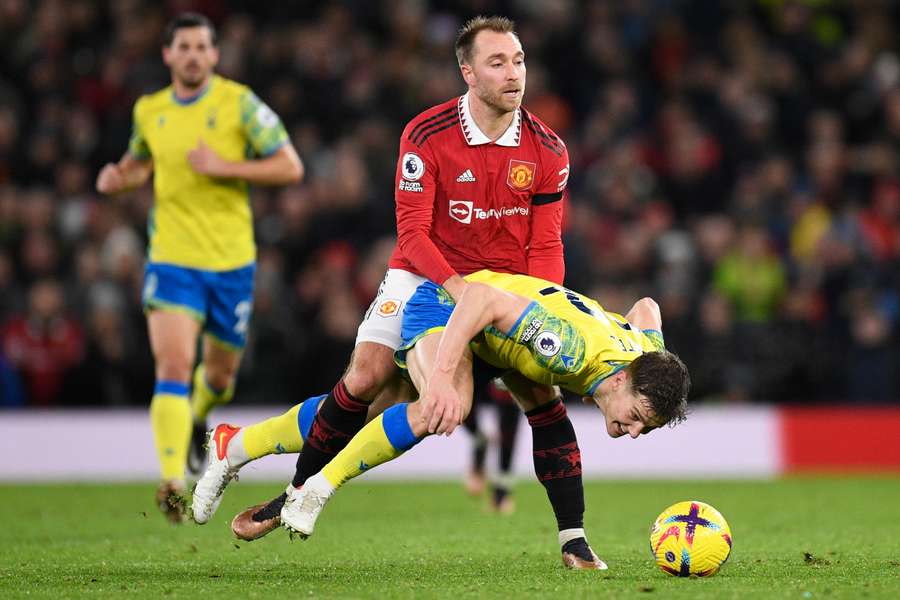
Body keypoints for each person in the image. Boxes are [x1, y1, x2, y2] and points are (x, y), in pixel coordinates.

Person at [192, 15, 572, 542]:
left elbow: (546, 244)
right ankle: (292, 486)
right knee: (366, 378)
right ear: (468, 72)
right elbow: (413, 235)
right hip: (422, 279)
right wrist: (460, 290)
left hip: (495, 294)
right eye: (497, 62)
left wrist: (543, 303)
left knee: (408, 404)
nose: (514, 74)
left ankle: (239, 449)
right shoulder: (426, 133)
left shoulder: (548, 150)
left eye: (519, 60)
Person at [278, 270, 690, 569]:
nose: (634, 432)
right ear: (619, 381)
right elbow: (480, 300)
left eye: (645, 427)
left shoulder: (643, 354)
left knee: (546, 413)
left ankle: (573, 542)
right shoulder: (566, 349)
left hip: (495, 340)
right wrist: (440, 375)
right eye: (636, 417)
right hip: (446, 306)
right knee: (444, 406)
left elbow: (646, 307)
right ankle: (318, 488)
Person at [95, 13, 302, 522]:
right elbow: (142, 160)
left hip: (231, 263)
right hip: (172, 259)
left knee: (220, 374)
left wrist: (226, 167)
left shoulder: (240, 104)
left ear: (214, 55)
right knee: (171, 365)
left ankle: (198, 417)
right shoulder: (150, 110)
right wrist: (121, 177)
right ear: (167, 55)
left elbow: (289, 166)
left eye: (201, 46)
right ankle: (171, 478)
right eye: (182, 46)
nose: (191, 55)